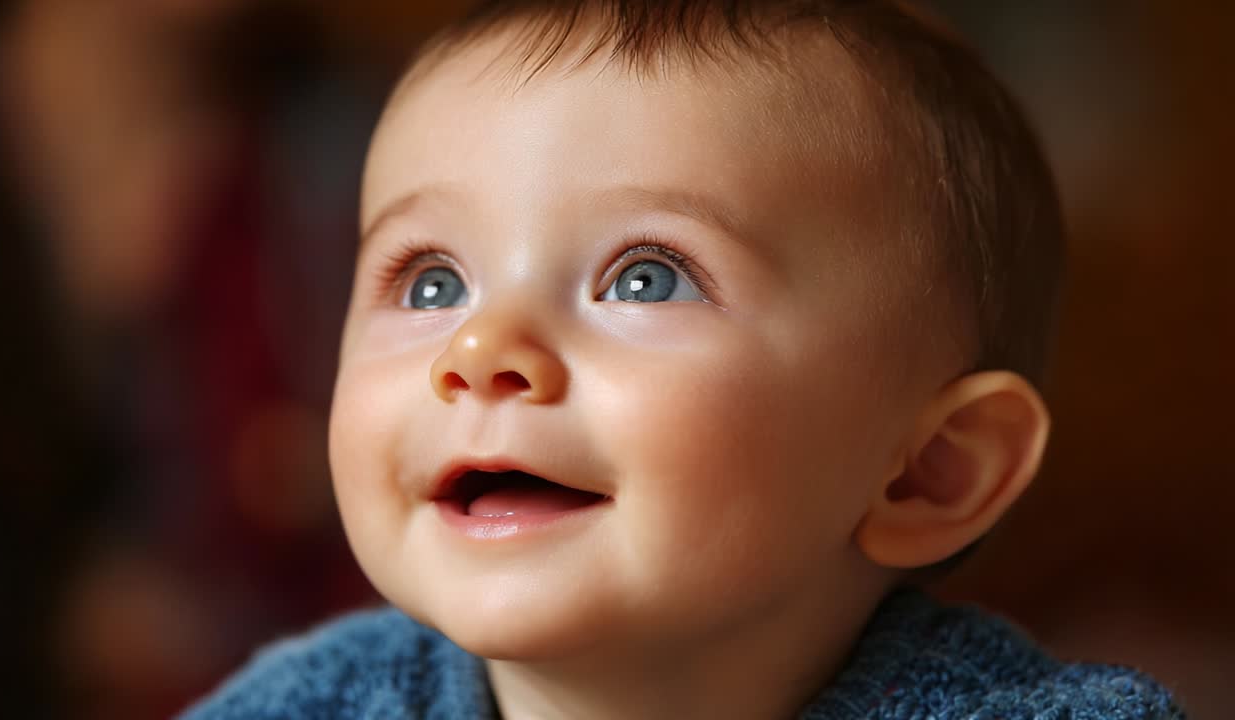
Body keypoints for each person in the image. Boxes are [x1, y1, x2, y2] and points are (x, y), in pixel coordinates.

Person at [183, 1, 1186, 717]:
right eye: (431, 283)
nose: (480, 349)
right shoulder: (312, 702)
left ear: (929, 468)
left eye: (644, 279)